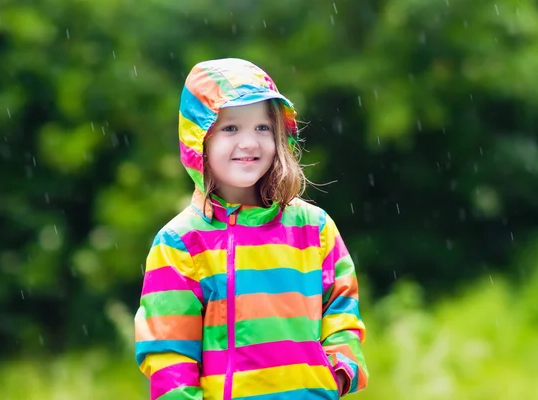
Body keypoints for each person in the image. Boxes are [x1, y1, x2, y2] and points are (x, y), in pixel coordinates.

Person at [134, 58, 369, 400]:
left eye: (262, 128)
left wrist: (338, 373)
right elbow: (169, 353)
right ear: (198, 139)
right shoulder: (181, 243)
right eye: (230, 128)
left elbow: (341, 312)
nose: (249, 143)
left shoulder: (314, 228)